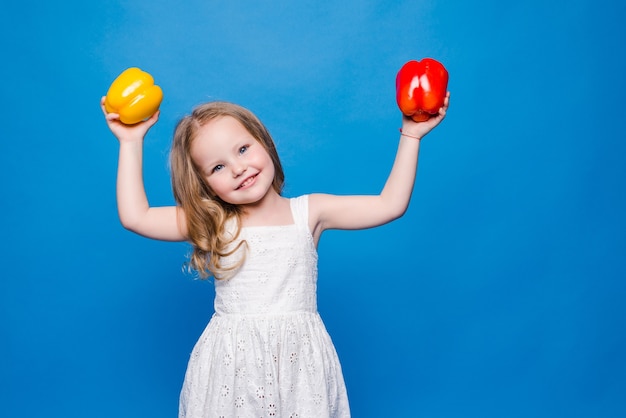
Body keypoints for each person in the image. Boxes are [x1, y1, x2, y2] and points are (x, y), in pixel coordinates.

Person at [101, 91, 449, 417]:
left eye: (242, 149)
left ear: (264, 143)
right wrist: (130, 142)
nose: (238, 168)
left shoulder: (309, 212)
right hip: (231, 366)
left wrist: (411, 136)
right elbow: (136, 216)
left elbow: (390, 205)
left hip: (301, 365)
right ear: (205, 185)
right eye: (217, 167)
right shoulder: (213, 221)